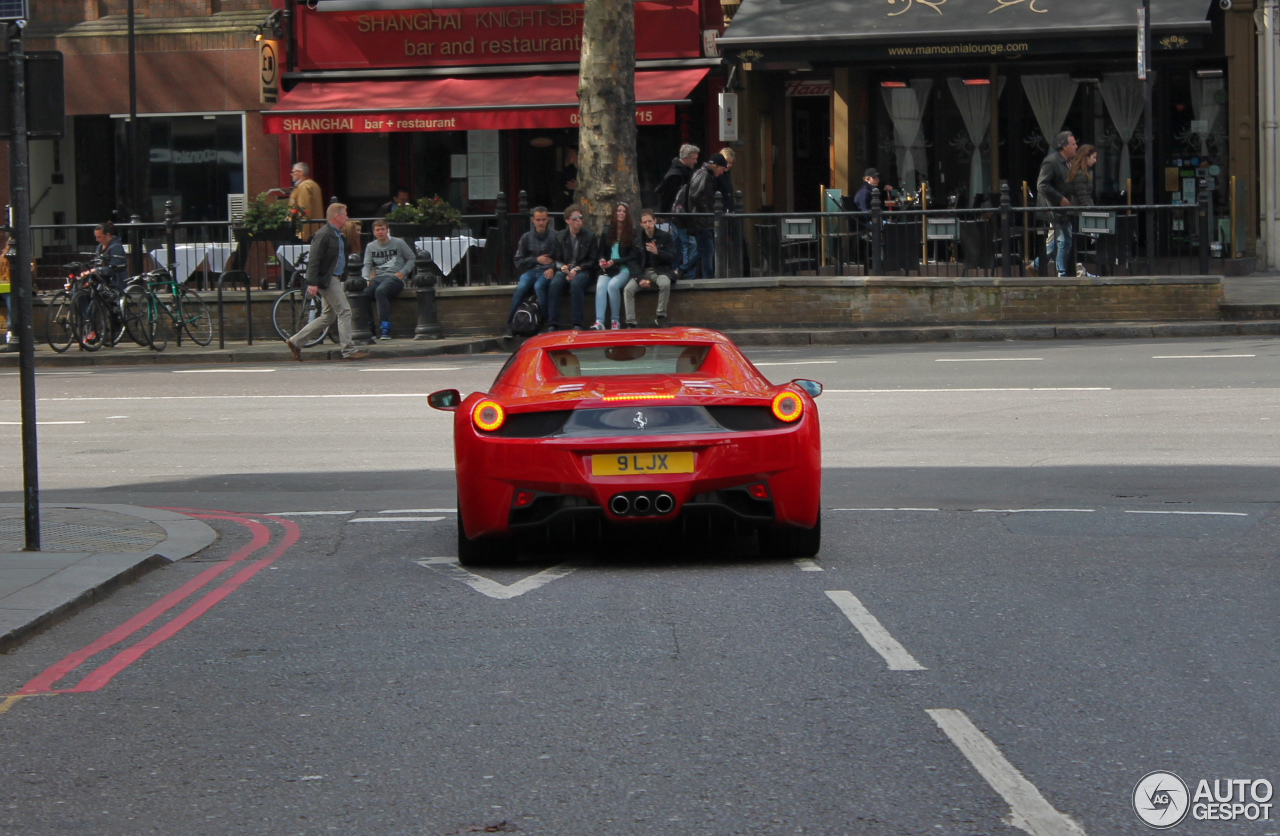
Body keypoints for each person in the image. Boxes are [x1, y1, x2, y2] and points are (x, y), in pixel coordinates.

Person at [284, 203, 368, 361]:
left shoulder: (337, 234)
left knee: (327, 317)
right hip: (327, 279)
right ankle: (349, 349)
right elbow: (314, 259)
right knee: (344, 311)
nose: (347, 217)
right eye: (345, 214)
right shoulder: (324, 234)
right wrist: (312, 282)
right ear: (337, 216)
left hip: (333, 277)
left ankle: (295, 341)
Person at [623, 209, 679, 328]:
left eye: (650, 221)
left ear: (655, 221)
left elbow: (671, 257)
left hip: (660, 270)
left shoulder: (664, 236)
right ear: (641, 224)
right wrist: (639, 279)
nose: (648, 224)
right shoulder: (637, 240)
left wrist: (657, 252)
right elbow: (633, 262)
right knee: (628, 289)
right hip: (643, 272)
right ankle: (631, 322)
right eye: (645, 222)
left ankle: (661, 316)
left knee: (665, 283)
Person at [1033, 130, 1078, 277]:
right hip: (1054, 208)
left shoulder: (1068, 163)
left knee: (1060, 242)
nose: (1076, 146)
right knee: (1064, 241)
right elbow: (1042, 185)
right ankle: (1061, 273)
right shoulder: (1051, 162)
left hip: (1064, 210)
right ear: (1064, 146)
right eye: (1073, 144)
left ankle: (1036, 265)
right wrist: (1060, 199)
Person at [547, 204, 598, 331]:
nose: (578, 220)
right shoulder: (560, 236)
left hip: (583, 270)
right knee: (555, 284)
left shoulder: (589, 236)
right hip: (566, 270)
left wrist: (577, 269)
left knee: (576, 284)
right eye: (575, 218)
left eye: (580, 217)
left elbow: (593, 260)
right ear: (567, 220)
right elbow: (556, 259)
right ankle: (553, 323)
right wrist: (562, 267)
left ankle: (577, 323)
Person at [362, 219, 414, 340]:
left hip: (394, 278)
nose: (380, 232)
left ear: (387, 230)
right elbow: (367, 264)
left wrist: (402, 273)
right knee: (364, 294)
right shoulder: (370, 246)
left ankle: (385, 327)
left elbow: (411, 258)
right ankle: (370, 328)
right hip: (378, 277)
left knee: (381, 291)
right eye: (378, 230)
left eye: (383, 229)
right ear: (374, 232)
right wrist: (365, 278)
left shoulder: (399, 243)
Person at [508, 206, 556, 334]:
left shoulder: (555, 236)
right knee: (521, 287)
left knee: (539, 287)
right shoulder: (526, 237)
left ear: (548, 220)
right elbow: (518, 260)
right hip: (530, 271)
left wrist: (553, 268)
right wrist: (536, 260)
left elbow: (562, 257)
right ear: (533, 220)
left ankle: (545, 321)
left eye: (544, 220)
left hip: (547, 271)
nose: (541, 223)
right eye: (538, 220)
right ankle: (510, 323)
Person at [594, 202, 639, 330]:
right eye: (619, 211)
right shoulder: (607, 231)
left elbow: (632, 256)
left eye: (624, 211)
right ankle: (599, 321)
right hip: (608, 267)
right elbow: (601, 251)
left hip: (623, 267)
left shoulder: (632, 232)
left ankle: (615, 321)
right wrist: (602, 260)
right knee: (600, 286)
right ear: (614, 213)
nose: (621, 213)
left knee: (612, 286)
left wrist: (616, 261)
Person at [656, 143, 699, 278]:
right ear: (685, 159)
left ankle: (672, 271)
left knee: (677, 245)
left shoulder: (680, 172)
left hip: (678, 215)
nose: (695, 161)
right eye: (693, 158)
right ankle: (685, 274)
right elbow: (666, 196)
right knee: (690, 245)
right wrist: (663, 214)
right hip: (678, 216)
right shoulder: (676, 175)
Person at [688, 153, 728, 280]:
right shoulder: (704, 174)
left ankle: (683, 270)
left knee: (704, 251)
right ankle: (708, 277)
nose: (722, 173)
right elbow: (695, 196)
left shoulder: (705, 174)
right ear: (716, 166)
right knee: (708, 250)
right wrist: (707, 212)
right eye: (722, 169)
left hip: (703, 218)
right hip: (702, 219)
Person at [1066, 143, 1099, 277]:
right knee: (1075, 245)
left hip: (1078, 213)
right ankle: (1075, 272)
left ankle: (1077, 271)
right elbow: (1083, 197)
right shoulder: (1080, 174)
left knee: (1075, 245)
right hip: (1076, 214)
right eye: (1094, 157)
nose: (1095, 160)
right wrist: (1092, 216)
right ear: (1086, 157)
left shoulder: (1084, 172)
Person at [288, 162, 325, 242]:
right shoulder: (313, 184)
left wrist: (303, 233)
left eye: (293, 172)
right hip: (315, 230)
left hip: (306, 233)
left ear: (301, 172)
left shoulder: (303, 186)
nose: (291, 174)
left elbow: (304, 209)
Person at [91, 222, 129, 291]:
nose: (97, 239)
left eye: (99, 237)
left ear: (107, 235)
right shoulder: (99, 247)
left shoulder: (116, 247)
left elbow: (114, 267)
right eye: (96, 237)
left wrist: (97, 270)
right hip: (103, 280)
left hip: (115, 281)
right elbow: (96, 262)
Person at [713, 147, 737, 213]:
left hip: (728, 211)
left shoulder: (727, 175)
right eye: (726, 162)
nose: (728, 165)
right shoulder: (715, 175)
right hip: (719, 211)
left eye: (730, 163)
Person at [0, 228, 11, 349]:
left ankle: (11, 329)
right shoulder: (2, 258)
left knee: (11, 297)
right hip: (6, 287)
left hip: (13, 289)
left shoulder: (28, 258)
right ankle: (11, 329)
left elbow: (32, 279)